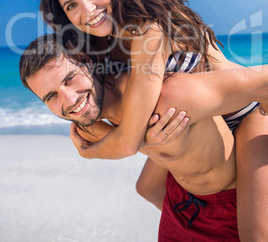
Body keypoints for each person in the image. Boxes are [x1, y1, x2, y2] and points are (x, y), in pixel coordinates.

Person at [40, 0, 268, 240]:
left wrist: (90, 152)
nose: (87, 9)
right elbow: (97, 110)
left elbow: (126, 142)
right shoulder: (100, 44)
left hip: (246, 112)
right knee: (147, 187)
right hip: (199, 124)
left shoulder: (151, 28)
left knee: (255, 235)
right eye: (72, 5)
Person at [20, 34, 268, 241]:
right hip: (180, 203)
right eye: (51, 96)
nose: (70, 100)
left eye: (70, 79)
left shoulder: (171, 97)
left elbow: (263, 82)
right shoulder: (87, 125)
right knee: (145, 187)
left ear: (87, 62)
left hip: (228, 203)